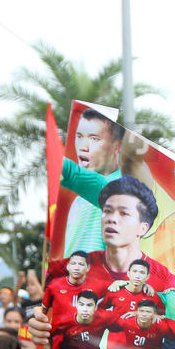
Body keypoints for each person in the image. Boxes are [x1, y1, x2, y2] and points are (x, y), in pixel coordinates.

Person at [61, 107, 124, 256]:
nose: (83, 147)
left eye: (94, 138)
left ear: (117, 147)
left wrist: (57, 161)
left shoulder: (122, 188)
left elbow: (73, 174)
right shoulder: (79, 200)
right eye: (79, 136)